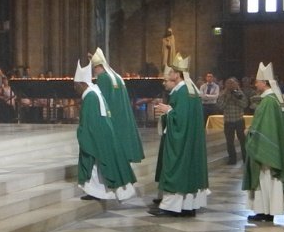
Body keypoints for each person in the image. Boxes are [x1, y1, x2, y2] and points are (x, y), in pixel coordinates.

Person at [243, 62, 284, 223]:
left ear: (265, 83)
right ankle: (272, 209)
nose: (255, 84)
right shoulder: (277, 99)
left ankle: (269, 212)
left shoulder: (269, 102)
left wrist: (251, 133)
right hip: (277, 146)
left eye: (257, 81)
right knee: (273, 181)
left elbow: (265, 127)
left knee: (267, 178)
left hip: (267, 147)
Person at [149, 53, 209, 217]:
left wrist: (167, 111)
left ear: (177, 74)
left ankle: (171, 206)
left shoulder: (182, 92)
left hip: (181, 139)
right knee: (189, 169)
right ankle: (187, 206)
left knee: (176, 167)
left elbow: (180, 119)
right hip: (191, 139)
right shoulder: (192, 90)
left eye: (170, 73)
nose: (168, 76)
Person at [73, 60, 136, 201]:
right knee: (98, 167)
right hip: (104, 134)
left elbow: (89, 122)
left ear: (82, 84)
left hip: (98, 136)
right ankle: (98, 192)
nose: (75, 88)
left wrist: (82, 134)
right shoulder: (95, 92)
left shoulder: (90, 97)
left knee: (93, 165)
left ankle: (97, 192)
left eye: (76, 85)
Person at [89, 47, 144, 163]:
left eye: (94, 69)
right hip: (123, 115)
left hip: (113, 116)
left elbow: (101, 99)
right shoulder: (116, 76)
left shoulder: (103, 78)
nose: (95, 72)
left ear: (99, 67)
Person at [216, 76, 248, 164]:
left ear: (237, 84)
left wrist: (235, 99)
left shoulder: (240, 93)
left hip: (239, 120)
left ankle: (245, 159)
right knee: (229, 141)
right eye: (229, 83)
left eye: (233, 83)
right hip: (228, 121)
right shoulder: (222, 94)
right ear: (226, 85)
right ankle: (232, 159)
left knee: (243, 141)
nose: (231, 85)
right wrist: (227, 98)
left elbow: (245, 105)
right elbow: (220, 107)